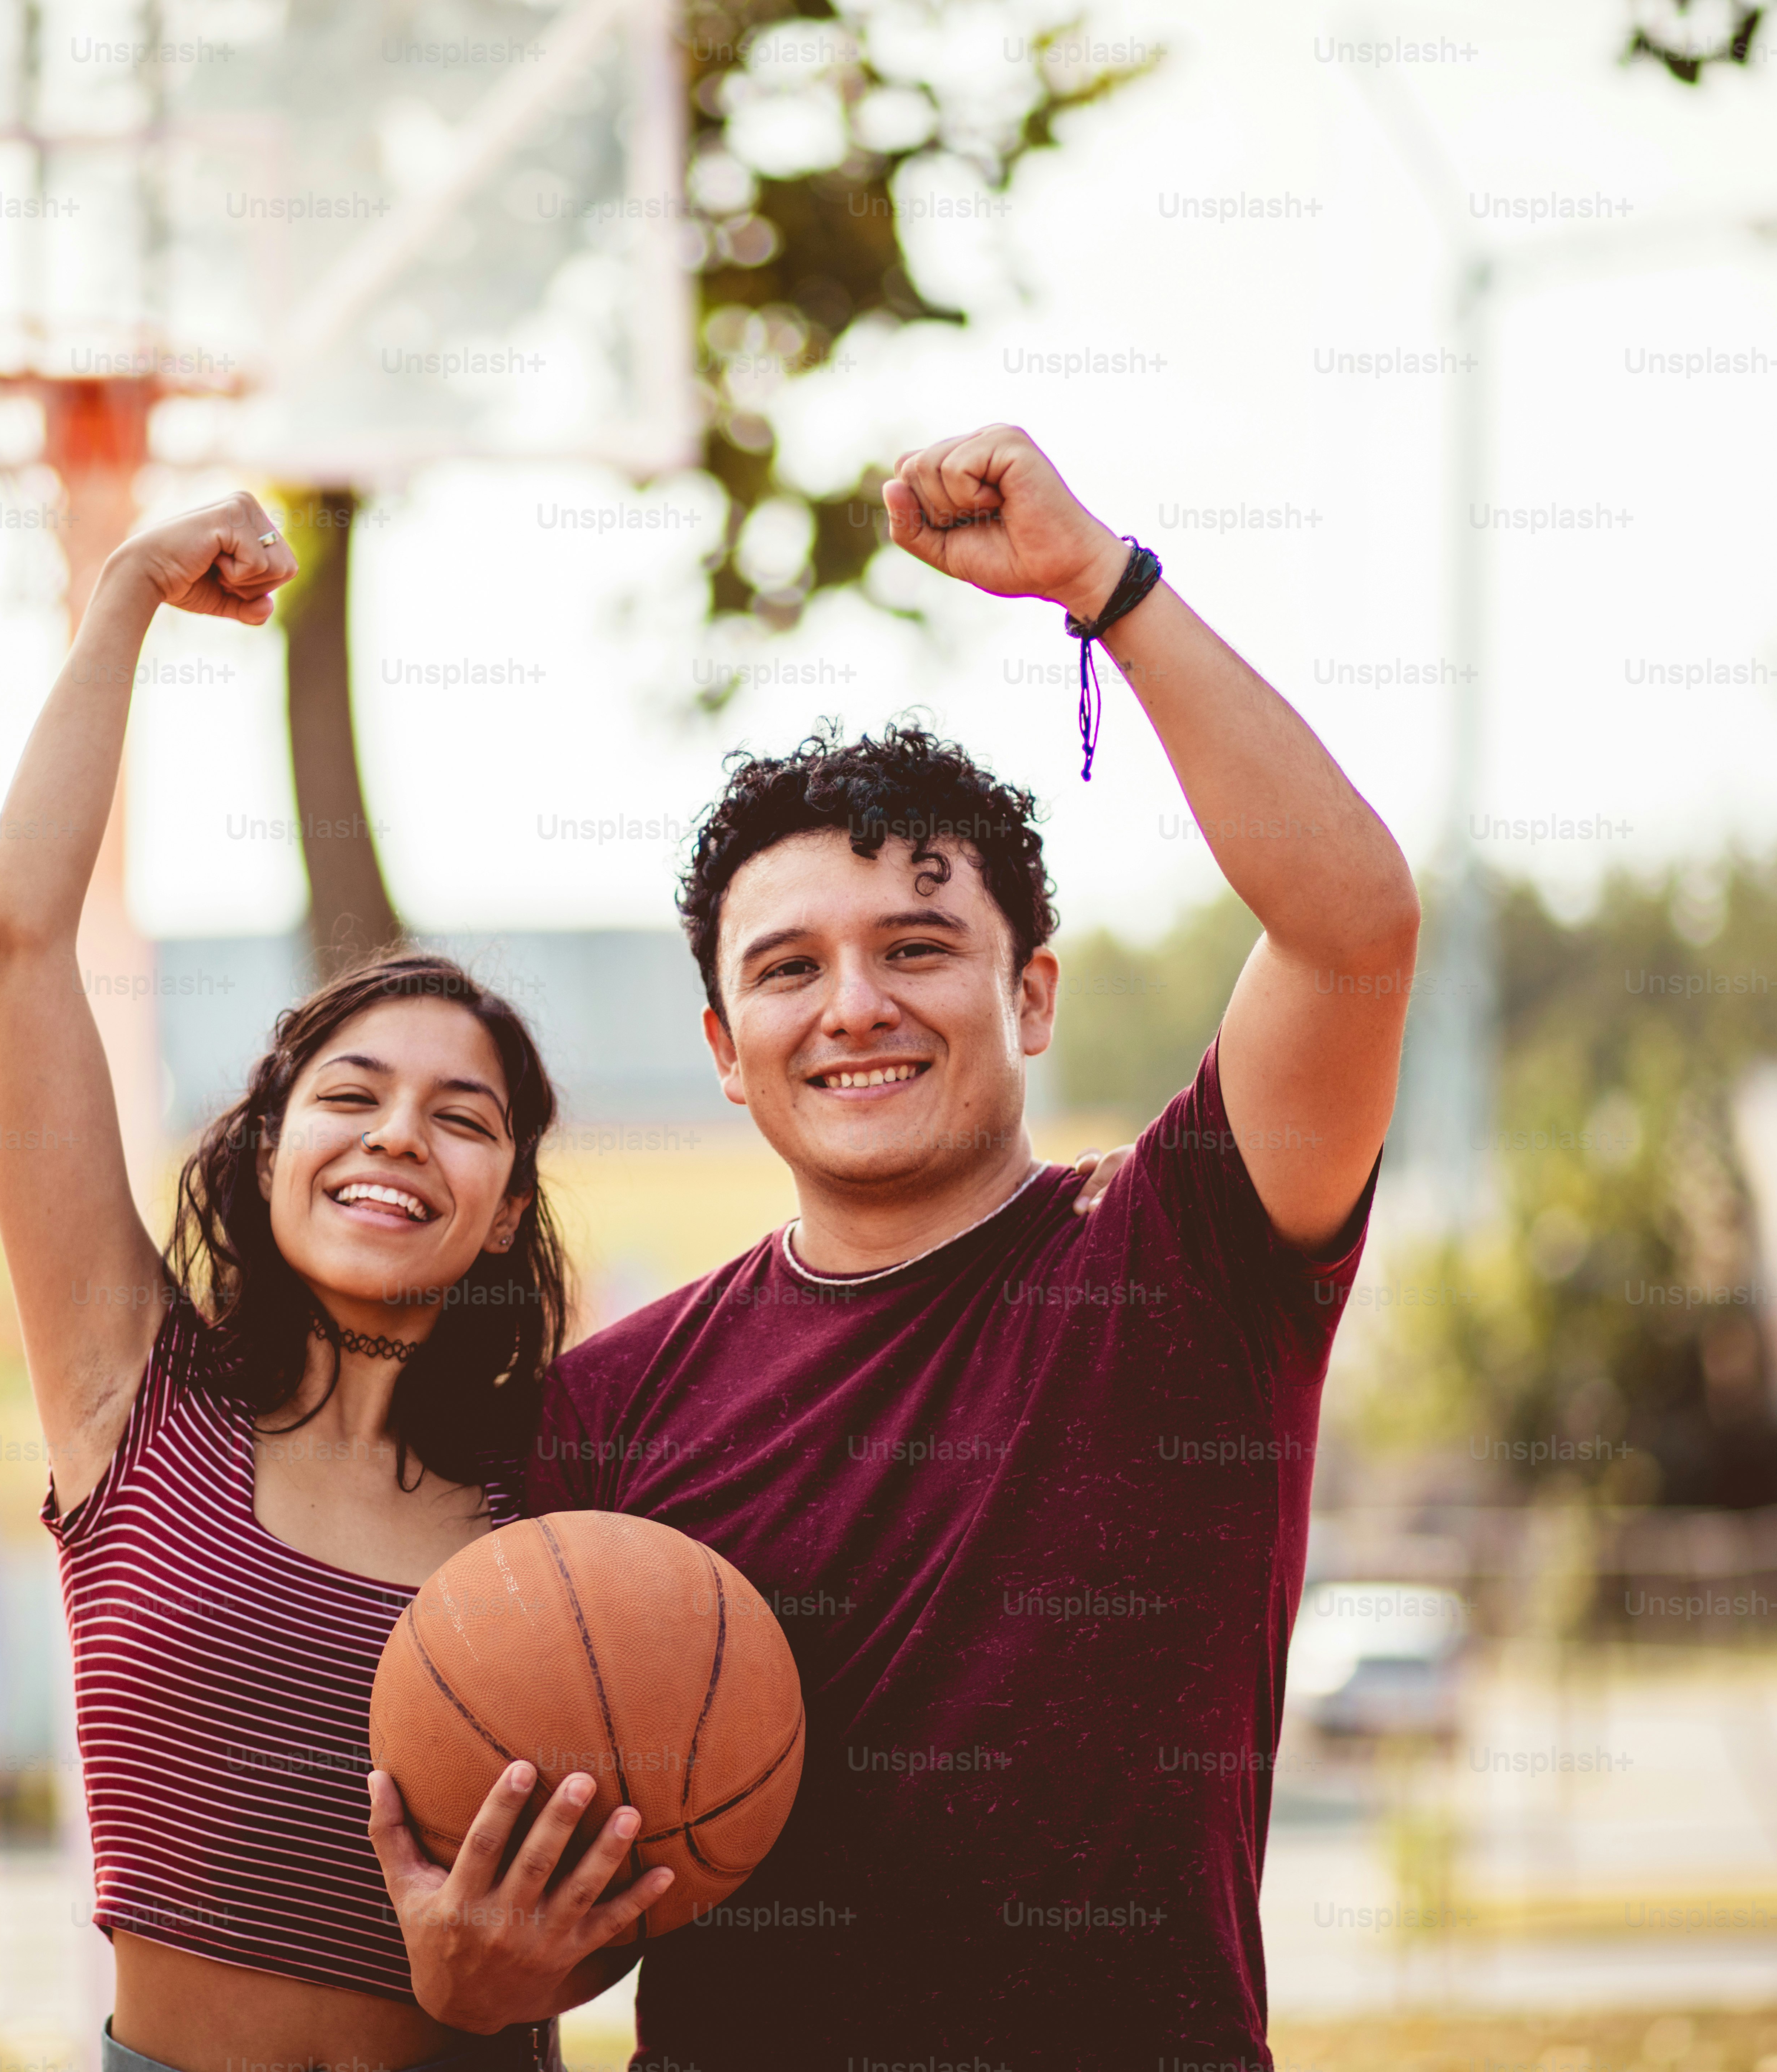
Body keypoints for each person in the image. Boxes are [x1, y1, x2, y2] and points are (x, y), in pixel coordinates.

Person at [0, 487, 1147, 2072]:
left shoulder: (562, 1509)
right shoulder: (129, 1399)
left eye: (461, 1118)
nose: (400, 1136)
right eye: (350, 1094)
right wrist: (119, 598)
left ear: (506, 1207)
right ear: (262, 1150)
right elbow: (18, 941)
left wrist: (536, 1963)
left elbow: (677, 1846)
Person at [365, 425, 1420, 2071]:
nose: (852, 1004)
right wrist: (477, 1968)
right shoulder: (608, 1405)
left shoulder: (1186, 1255)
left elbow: (1351, 921)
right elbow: (571, 1880)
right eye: (787, 970)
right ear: (724, 1046)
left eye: (916, 946)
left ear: (1031, 995)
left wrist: (1102, 585)